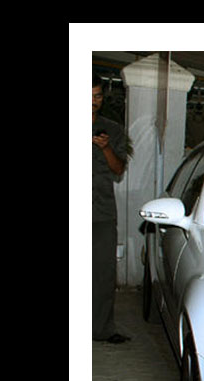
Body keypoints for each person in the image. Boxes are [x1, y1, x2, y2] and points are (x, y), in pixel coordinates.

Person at [92, 74, 130, 344]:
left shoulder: (111, 129)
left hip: (100, 212)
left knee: (103, 273)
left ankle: (102, 329)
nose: (93, 103)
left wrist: (105, 149)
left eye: (97, 97)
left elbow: (118, 170)